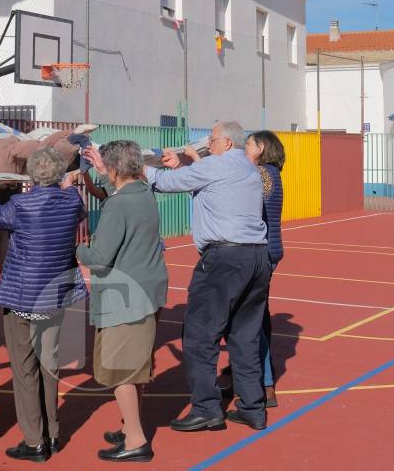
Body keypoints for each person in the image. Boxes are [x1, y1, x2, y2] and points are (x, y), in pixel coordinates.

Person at [144, 120, 271, 432]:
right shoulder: (246, 169)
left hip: (223, 259)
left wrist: (133, 165)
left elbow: (162, 182)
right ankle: (252, 407)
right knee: (244, 335)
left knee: (200, 335)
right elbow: (209, 187)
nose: (208, 144)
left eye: (212, 139)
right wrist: (185, 165)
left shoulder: (217, 166)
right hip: (256, 257)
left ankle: (206, 408)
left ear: (227, 143)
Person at [0, 147, 89, 462]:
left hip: (22, 297)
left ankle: (34, 440)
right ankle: (52, 434)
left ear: (31, 175)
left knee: (25, 371)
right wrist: (69, 184)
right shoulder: (71, 202)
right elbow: (78, 207)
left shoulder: (21, 204)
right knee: (48, 367)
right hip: (55, 298)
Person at [77, 141, 168, 463]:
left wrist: (77, 249)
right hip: (148, 289)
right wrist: (104, 174)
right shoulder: (143, 192)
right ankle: (131, 426)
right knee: (135, 366)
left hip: (126, 295)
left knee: (121, 371)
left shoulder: (118, 206)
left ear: (115, 168)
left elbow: (99, 256)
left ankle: (136, 440)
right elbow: (118, 193)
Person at [0, 127, 91, 349]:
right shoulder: (11, 144)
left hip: (5, 202)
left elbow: (44, 145)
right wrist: (71, 135)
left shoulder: (6, 145)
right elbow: (44, 146)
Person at [245, 130, 285, 407]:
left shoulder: (262, 175)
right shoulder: (270, 173)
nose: (244, 149)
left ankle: (264, 382)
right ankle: (252, 373)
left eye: (247, 145)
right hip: (269, 249)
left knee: (251, 320)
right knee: (260, 315)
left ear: (260, 148)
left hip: (262, 251)